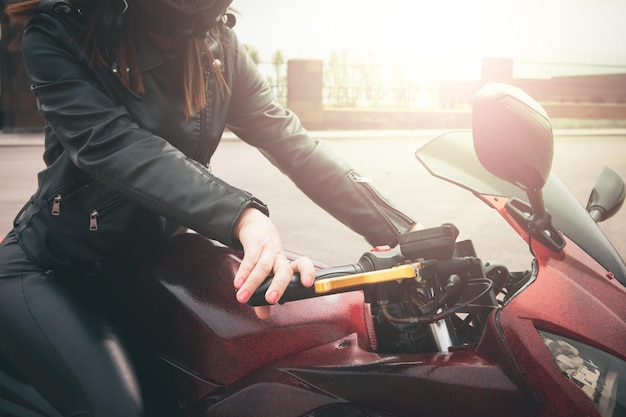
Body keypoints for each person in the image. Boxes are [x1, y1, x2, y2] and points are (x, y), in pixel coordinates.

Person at [0, 0, 416, 415]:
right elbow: (113, 145)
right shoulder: (60, 30)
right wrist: (243, 216)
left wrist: (402, 232)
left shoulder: (219, 50)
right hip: (55, 270)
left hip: (149, 267)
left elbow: (291, 142)